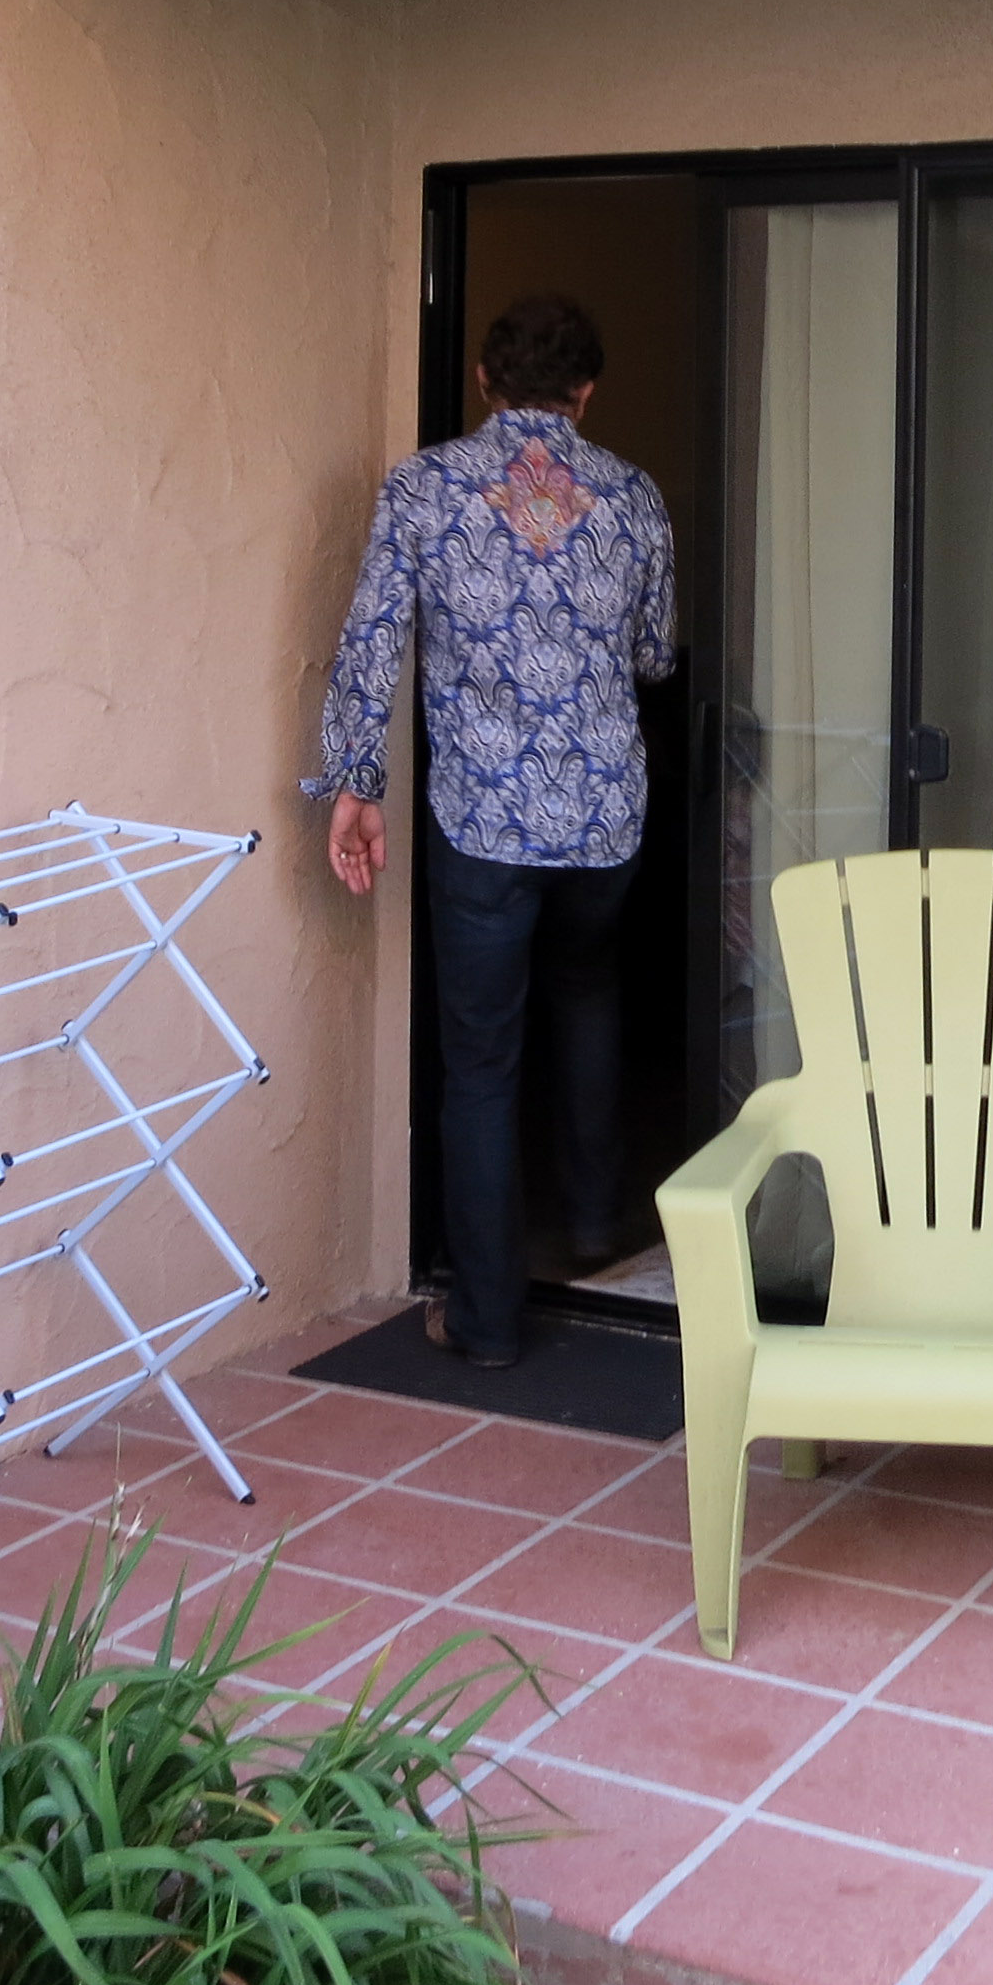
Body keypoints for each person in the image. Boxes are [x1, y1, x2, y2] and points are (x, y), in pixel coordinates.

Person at [315, 292, 676, 1368]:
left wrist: (356, 781)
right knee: (589, 993)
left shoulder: (423, 488)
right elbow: (657, 654)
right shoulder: (634, 495)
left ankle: (484, 1320)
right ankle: (598, 1221)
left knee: (480, 1061)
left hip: (481, 815)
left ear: (483, 380)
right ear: (587, 390)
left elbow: (372, 640)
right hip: (602, 813)